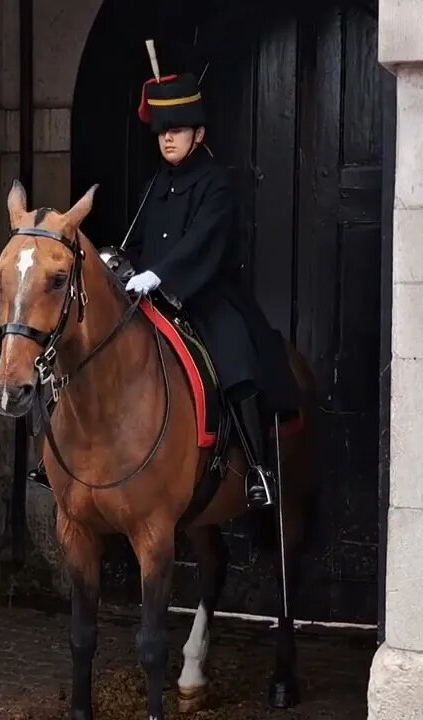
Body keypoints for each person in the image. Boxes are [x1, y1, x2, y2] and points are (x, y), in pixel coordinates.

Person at [119, 69, 300, 509]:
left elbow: (203, 242)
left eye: (177, 130)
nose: (167, 139)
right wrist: (124, 266)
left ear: (198, 134)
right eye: (162, 131)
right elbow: (140, 241)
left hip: (205, 294)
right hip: (150, 297)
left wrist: (160, 274)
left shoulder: (216, 183)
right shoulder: (153, 186)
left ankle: (259, 470)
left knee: (237, 365)